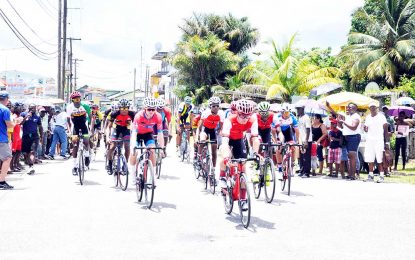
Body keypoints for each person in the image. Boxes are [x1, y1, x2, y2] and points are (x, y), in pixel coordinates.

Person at [219, 99, 259, 210]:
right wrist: (227, 157)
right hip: (228, 138)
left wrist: (255, 154)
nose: (244, 118)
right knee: (224, 153)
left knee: (243, 168)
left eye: (247, 116)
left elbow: (255, 139)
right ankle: (222, 177)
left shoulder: (252, 120)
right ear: (237, 112)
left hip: (238, 140)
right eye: (242, 115)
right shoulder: (229, 120)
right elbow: (225, 142)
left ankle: (243, 199)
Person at [129, 97, 164, 178]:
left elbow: (160, 133)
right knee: (134, 152)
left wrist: (162, 148)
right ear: (145, 108)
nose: (151, 111)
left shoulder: (158, 116)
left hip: (148, 134)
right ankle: (133, 173)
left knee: (152, 150)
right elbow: (134, 132)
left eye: (153, 109)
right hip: (137, 134)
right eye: (149, 109)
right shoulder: (139, 116)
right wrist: (133, 145)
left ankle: (152, 176)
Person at [327, 102, 361, 180]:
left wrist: (343, 122)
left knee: (352, 156)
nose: (349, 108)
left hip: (354, 137)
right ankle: (350, 174)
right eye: (348, 107)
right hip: (348, 137)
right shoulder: (348, 116)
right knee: (349, 157)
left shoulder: (356, 116)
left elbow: (353, 127)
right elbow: (336, 113)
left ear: (355, 108)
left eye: (351, 107)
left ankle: (352, 175)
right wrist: (329, 106)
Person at [106, 99, 135, 174]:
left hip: (126, 129)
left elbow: (135, 126)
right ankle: (109, 163)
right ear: (119, 108)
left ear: (128, 108)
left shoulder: (132, 114)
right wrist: (108, 137)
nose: (124, 110)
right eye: (122, 108)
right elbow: (109, 127)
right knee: (112, 146)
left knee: (127, 146)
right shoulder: (114, 114)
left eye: (126, 108)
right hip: (116, 129)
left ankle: (125, 165)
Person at [196, 96, 224, 176]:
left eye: (217, 106)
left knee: (214, 151)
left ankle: (213, 169)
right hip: (205, 129)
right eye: (213, 106)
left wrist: (219, 131)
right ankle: (199, 157)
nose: (216, 108)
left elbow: (221, 125)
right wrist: (197, 136)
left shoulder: (221, 113)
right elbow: (199, 126)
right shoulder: (206, 113)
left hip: (213, 131)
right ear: (210, 106)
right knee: (202, 141)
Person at [363, 102, 389, 183]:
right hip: (370, 140)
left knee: (379, 158)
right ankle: (370, 175)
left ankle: (381, 176)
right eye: (371, 107)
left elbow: (385, 129)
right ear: (369, 109)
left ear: (376, 108)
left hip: (379, 140)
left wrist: (386, 141)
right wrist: (365, 129)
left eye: (374, 107)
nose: (372, 108)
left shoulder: (381, 117)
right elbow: (366, 129)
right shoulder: (368, 117)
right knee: (370, 158)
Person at [67, 91, 91, 175]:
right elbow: (68, 121)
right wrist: (69, 131)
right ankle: (74, 166)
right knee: (75, 144)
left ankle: (87, 155)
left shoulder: (85, 106)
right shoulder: (69, 107)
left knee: (86, 141)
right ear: (72, 100)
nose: (77, 101)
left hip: (84, 125)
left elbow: (90, 118)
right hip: (75, 126)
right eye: (75, 99)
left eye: (78, 99)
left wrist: (91, 128)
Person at [274, 103, 301, 179]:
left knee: (293, 146)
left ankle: (292, 165)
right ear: (282, 112)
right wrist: (276, 141)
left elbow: (297, 132)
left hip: (287, 131)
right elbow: (273, 131)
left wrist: (299, 142)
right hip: (278, 131)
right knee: (278, 148)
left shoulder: (293, 118)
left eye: (288, 112)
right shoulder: (277, 117)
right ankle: (279, 167)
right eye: (285, 113)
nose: (287, 114)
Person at [20, 103, 43, 175]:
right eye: (31, 108)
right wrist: (26, 117)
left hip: (34, 136)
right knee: (26, 153)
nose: (32, 109)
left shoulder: (37, 117)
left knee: (32, 151)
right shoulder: (23, 114)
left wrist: (41, 136)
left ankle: (31, 166)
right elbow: (20, 123)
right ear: (28, 108)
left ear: (36, 109)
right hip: (26, 136)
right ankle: (29, 164)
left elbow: (40, 127)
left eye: (33, 108)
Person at [0, 91, 15, 189]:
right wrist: (15, 122)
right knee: (7, 158)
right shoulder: (5, 110)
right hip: (1, 138)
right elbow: (9, 125)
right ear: (6, 99)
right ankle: (1, 182)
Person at [296, 104, 311, 177]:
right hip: (301, 140)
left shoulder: (306, 117)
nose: (297, 110)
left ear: (302, 109)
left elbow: (308, 129)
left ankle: (307, 172)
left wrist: (306, 141)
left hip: (306, 140)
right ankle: (302, 170)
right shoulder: (300, 118)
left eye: (299, 109)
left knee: (306, 157)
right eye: (297, 109)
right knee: (301, 156)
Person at [10, 103, 24, 172]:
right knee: (13, 152)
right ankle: (12, 166)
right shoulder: (14, 116)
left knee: (18, 151)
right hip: (14, 136)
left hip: (19, 136)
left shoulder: (19, 116)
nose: (20, 109)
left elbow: (20, 124)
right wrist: (12, 137)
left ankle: (16, 164)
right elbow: (12, 126)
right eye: (19, 108)